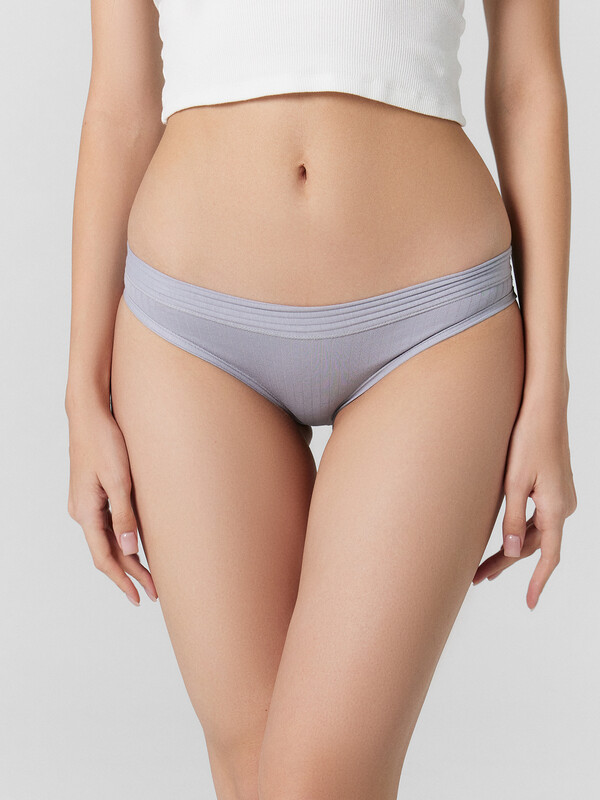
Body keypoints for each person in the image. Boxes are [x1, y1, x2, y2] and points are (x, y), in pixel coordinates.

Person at [65, 0, 577, 796]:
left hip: (430, 325)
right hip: (190, 336)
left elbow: (526, 84)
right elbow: (119, 105)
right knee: (251, 772)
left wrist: (549, 389)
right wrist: (81, 396)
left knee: (316, 780)